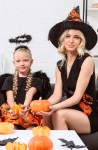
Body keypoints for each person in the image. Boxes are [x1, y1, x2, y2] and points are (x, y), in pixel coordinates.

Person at [37, 6, 98, 134]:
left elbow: (76, 97)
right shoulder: (59, 65)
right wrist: (43, 105)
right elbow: (57, 95)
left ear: (81, 41)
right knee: (46, 114)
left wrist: (54, 107)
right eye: (68, 36)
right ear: (62, 39)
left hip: (89, 115)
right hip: (71, 110)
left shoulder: (87, 60)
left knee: (58, 114)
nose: (71, 41)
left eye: (76, 37)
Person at [0, 45, 51, 129]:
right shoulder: (9, 80)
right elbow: (10, 98)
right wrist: (14, 109)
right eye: (18, 61)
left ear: (31, 61)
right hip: (13, 110)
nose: (22, 64)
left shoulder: (36, 80)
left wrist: (25, 106)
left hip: (28, 110)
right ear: (14, 62)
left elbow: (30, 93)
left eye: (25, 60)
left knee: (32, 129)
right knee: (12, 128)